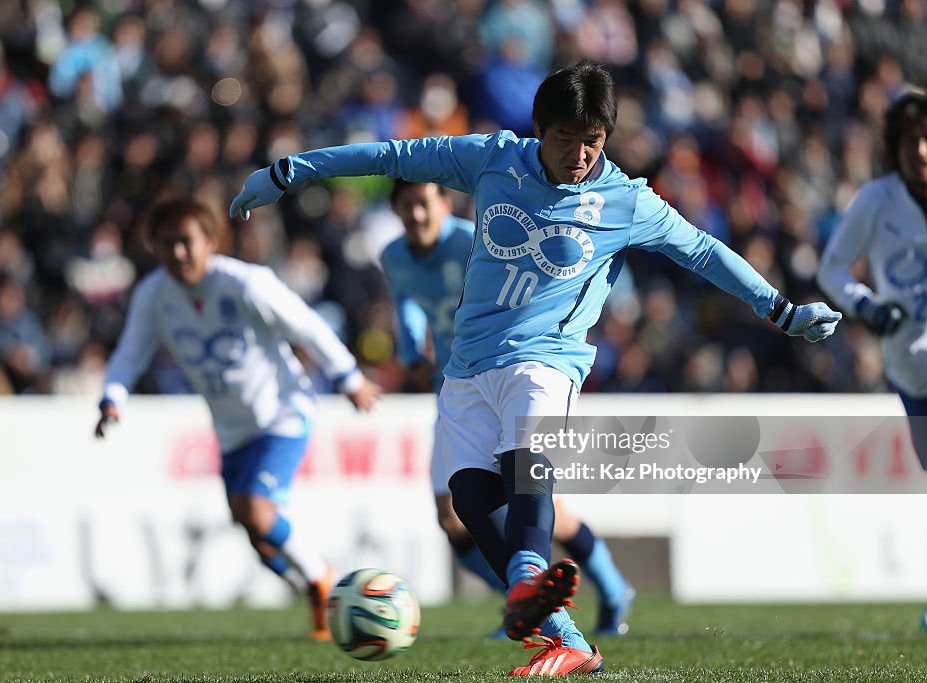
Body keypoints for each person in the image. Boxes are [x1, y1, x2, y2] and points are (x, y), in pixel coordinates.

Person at [231, 60, 841, 675]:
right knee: (469, 501)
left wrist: (781, 308)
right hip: (466, 366)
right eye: (565, 139)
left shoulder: (626, 201)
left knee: (527, 474)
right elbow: (393, 156)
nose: (579, 155)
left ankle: (529, 581)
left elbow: (704, 251)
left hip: (547, 361)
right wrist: (289, 172)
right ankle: (568, 639)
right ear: (538, 130)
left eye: (593, 142)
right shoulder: (493, 159)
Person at [94, 197, 381, 641]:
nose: (178, 253)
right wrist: (113, 396)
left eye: (187, 242)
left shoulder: (245, 283)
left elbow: (306, 325)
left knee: (255, 510)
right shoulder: (154, 296)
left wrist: (348, 377)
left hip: (282, 411)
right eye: (167, 244)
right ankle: (314, 589)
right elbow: (131, 351)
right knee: (260, 539)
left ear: (210, 242)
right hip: (231, 431)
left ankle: (325, 577)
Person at [380, 178, 634, 637]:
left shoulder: (475, 239)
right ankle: (527, 604)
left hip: (511, 375)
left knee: (533, 503)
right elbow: (406, 302)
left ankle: (613, 589)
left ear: (444, 202)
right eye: (406, 207)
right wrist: (408, 346)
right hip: (457, 388)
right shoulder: (394, 256)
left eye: (424, 204)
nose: (417, 215)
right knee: (453, 518)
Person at [818, 88, 927, 470]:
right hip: (912, 365)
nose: (921, 152)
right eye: (911, 140)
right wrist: (867, 306)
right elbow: (830, 269)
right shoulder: (875, 201)